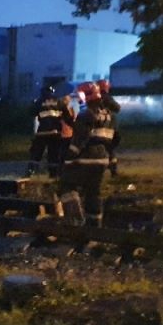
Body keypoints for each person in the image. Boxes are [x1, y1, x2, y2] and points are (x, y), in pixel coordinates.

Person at [57, 84, 115, 227]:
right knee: (93, 192)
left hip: (86, 158)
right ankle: (94, 225)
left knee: (66, 185)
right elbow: (111, 139)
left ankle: (75, 219)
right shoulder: (108, 116)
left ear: (86, 96)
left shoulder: (86, 114)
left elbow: (80, 137)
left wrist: (69, 157)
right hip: (102, 160)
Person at [27, 84, 71, 178]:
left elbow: (31, 113)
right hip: (56, 133)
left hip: (42, 133)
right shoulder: (59, 102)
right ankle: (54, 175)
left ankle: (31, 172)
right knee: (54, 155)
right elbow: (68, 117)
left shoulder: (39, 102)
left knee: (36, 153)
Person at [96, 79, 122, 176]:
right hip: (110, 129)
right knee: (110, 150)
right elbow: (118, 108)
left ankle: (100, 170)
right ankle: (113, 171)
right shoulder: (107, 98)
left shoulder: (93, 98)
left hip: (98, 128)